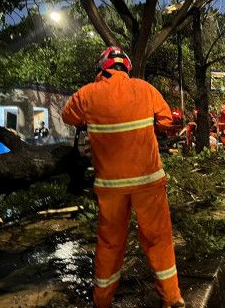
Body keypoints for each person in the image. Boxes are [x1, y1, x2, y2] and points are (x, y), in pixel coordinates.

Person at [61, 47, 184, 308]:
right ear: (126, 68)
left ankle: (102, 302)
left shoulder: (87, 94)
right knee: (158, 239)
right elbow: (165, 120)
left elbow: (68, 115)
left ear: (102, 69)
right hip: (148, 181)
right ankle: (172, 299)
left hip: (111, 186)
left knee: (109, 243)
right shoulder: (145, 89)